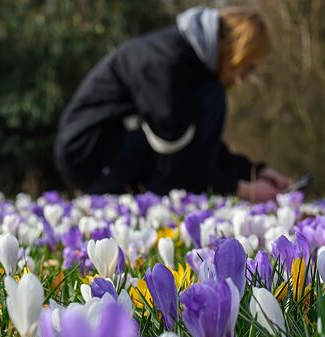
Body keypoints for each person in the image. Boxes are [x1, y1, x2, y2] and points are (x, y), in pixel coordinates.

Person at [54, 6, 291, 202]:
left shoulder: (186, 60)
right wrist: (244, 190)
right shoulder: (168, 66)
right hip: (89, 158)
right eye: (247, 67)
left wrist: (255, 171)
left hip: (107, 146)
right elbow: (183, 164)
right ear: (235, 51)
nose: (246, 78)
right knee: (212, 98)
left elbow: (197, 148)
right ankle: (155, 202)